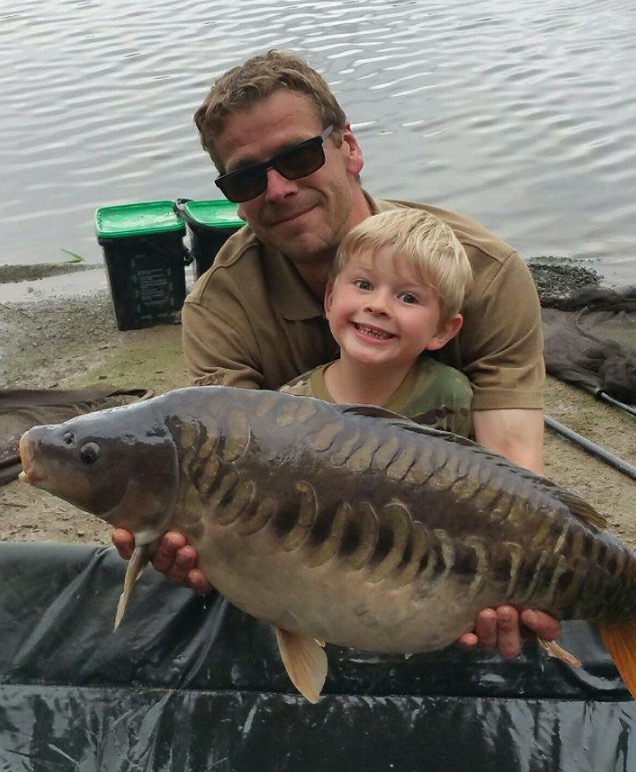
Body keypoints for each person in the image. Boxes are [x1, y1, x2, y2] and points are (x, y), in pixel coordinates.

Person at [113, 49, 560, 658]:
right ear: (232, 196)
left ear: (348, 145)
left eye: (298, 156)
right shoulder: (219, 309)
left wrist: (517, 581)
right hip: (312, 551)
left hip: (450, 544)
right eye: (247, 177)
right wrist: (177, 532)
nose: (278, 188)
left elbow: (512, 462)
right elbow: (228, 480)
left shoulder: (485, 271)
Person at [280, 207, 474, 437]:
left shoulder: (451, 395)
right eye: (364, 285)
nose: (379, 305)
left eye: (408, 298)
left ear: (441, 330)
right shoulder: (288, 405)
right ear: (330, 300)